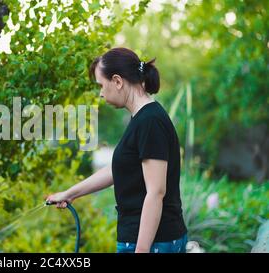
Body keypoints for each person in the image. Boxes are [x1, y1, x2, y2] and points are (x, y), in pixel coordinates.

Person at [45, 47, 188, 253]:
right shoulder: (141, 119)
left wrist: (141, 250)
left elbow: (156, 192)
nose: (101, 94)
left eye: (101, 86)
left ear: (118, 81)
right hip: (148, 241)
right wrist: (70, 193)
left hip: (154, 243)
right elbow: (119, 169)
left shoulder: (150, 122)